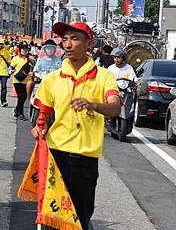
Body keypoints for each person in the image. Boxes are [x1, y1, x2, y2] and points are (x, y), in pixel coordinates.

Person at [31, 21, 121, 230]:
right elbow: (42, 115)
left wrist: (92, 105)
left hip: (85, 159)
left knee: (81, 216)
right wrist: (38, 127)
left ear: (88, 43)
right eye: (65, 39)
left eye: (75, 38)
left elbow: (115, 107)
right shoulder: (52, 79)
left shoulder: (104, 76)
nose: (68, 44)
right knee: (52, 218)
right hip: (56, 155)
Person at [10, 41, 33, 120]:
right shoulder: (16, 59)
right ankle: (20, 113)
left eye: (26, 49)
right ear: (19, 50)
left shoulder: (30, 59)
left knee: (24, 97)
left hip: (27, 81)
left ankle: (17, 110)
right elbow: (11, 68)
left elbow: (34, 67)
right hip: (18, 81)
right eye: (23, 49)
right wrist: (10, 71)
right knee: (21, 96)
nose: (24, 51)